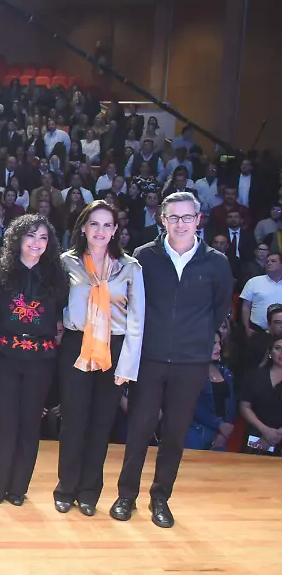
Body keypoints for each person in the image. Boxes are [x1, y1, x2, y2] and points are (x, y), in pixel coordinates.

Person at [114, 191, 232, 528]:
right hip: (148, 359)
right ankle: (126, 496)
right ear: (162, 220)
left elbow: (220, 307)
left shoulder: (216, 262)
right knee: (138, 429)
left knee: (175, 433)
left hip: (190, 362)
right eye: (173, 217)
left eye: (187, 217)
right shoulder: (143, 257)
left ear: (198, 220)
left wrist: (195, 339)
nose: (180, 223)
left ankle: (160, 498)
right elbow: (132, 303)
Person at [56, 200, 144, 516]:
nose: (101, 230)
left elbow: (137, 319)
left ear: (116, 230)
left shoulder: (130, 267)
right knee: (74, 421)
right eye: (94, 223)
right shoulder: (66, 263)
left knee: (100, 424)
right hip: (76, 345)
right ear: (83, 227)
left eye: (108, 224)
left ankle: (90, 492)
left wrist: (128, 366)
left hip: (115, 349)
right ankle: (66, 488)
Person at [0, 214, 69, 506]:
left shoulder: (57, 275)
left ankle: (18, 488)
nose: (36, 243)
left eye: (43, 237)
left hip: (41, 359)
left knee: (30, 424)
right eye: (31, 236)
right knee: (3, 423)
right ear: (17, 238)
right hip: (4, 357)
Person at [238, 336, 282, 457]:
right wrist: (265, 430)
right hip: (256, 433)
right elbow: (244, 407)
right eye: (278, 348)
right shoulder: (253, 375)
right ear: (270, 352)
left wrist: (277, 435)